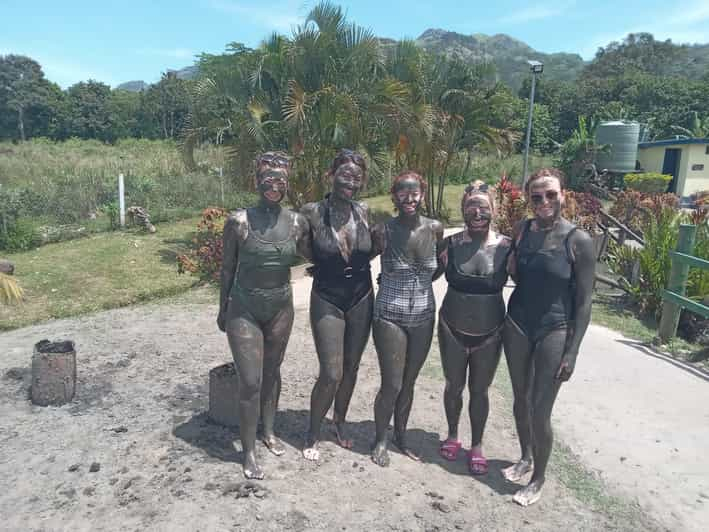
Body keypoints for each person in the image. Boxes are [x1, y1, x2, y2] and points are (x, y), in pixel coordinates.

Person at [502, 168, 594, 506]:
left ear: (563, 195)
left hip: (554, 329)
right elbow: (511, 267)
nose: (544, 202)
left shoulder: (578, 241)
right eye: (536, 196)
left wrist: (572, 351)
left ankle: (538, 478)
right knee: (519, 400)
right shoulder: (522, 230)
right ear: (529, 199)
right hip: (518, 325)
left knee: (540, 409)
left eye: (550, 195)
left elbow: (584, 302)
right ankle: (525, 456)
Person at [218, 151, 311, 480]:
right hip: (244, 307)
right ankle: (248, 451)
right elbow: (227, 268)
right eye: (268, 179)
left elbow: (318, 254)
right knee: (251, 380)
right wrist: (222, 307)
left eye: (281, 180)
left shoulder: (298, 222)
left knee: (272, 372)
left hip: (280, 307)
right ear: (256, 181)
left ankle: (268, 431)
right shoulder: (239, 221)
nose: (274, 185)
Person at [300, 149, 374, 460]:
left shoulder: (365, 211)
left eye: (357, 177)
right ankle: (313, 431)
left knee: (352, 368)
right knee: (331, 371)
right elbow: (303, 247)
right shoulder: (312, 212)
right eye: (345, 175)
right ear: (331, 175)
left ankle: (339, 422)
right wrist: (324, 265)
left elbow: (373, 249)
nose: (351, 182)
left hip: (361, 294)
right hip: (327, 296)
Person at [369, 171, 444, 467]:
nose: (409, 198)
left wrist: (423, 282)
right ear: (394, 196)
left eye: (415, 192)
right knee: (392, 383)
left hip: (424, 315)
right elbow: (358, 258)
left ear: (423, 195)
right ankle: (380, 439)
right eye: (402, 192)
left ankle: (400, 435)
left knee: (410, 382)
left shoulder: (435, 229)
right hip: (389, 314)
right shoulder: (383, 231)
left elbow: (439, 266)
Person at [437, 180, 511, 475]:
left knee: (480, 390)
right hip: (451, 328)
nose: (477, 212)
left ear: (494, 210)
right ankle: (453, 435)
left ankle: (477, 445)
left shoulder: (507, 248)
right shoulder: (451, 245)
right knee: (453, 386)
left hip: (491, 332)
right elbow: (426, 272)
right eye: (471, 207)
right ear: (463, 210)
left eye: (483, 207)